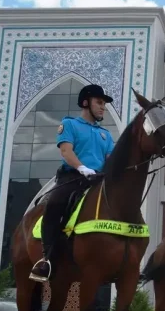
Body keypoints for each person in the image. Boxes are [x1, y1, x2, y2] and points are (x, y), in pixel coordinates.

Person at [29, 84, 115, 282]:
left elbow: (110, 159)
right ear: (86, 103)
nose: (103, 107)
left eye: (104, 104)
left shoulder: (106, 134)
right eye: (99, 103)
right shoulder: (69, 125)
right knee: (54, 205)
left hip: (98, 181)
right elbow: (67, 152)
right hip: (73, 177)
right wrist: (83, 168)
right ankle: (46, 259)